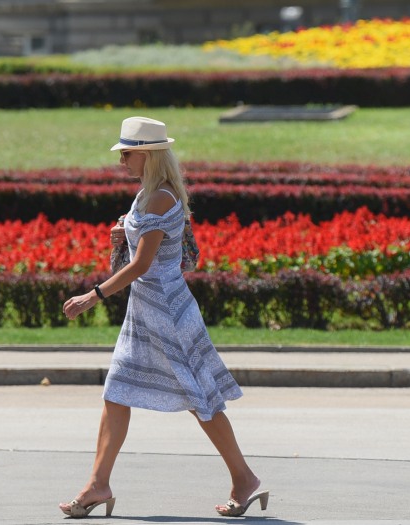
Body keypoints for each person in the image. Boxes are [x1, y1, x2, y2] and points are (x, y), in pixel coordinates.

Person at [58, 117, 268, 519]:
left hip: (168, 310)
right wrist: (124, 232)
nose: (121, 161)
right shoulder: (147, 195)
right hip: (146, 311)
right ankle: (98, 485)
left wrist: (92, 295)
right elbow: (144, 248)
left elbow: (141, 265)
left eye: (128, 153)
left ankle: (244, 479)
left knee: (200, 399)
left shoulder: (159, 198)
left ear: (149, 155)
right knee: (117, 392)